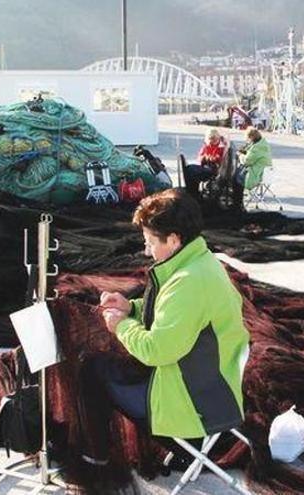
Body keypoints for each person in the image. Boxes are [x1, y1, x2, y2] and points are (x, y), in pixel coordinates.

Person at [80, 188, 249, 465]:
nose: (147, 251)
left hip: (193, 409)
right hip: (212, 388)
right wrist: (130, 307)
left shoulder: (188, 283)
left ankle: (95, 458)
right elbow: (174, 316)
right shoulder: (202, 262)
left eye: (150, 242)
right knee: (108, 365)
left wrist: (121, 326)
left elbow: (155, 351)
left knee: (92, 369)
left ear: (173, 239)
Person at [231, 127, 272, 207]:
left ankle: (237, 202)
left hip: (256, 174)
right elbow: (253, 156)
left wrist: (240, 155)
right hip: (265, 172)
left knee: (235, 178)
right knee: (237, 176)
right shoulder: (262, 144)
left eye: (247, 138)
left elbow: (247, 161)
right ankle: (238, 200)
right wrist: (245, 151)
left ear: (251, 137)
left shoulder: (257, 147)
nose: (247, 140)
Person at [183, 128, 229, 197]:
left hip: (214, 170)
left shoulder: (221, 147)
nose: (211, 140)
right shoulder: (206, 146)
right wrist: (204, 158)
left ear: (217, 138)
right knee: (189, 169)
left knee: (191, 171)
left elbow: (219, 159)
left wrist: (211, 158)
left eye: (213, 138)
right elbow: (199, 157)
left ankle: (194, 193)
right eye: (210, 138)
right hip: (205, 167)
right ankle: (192, 190)